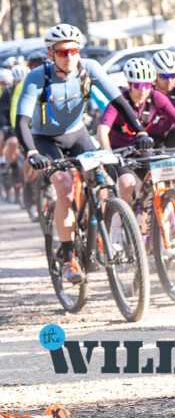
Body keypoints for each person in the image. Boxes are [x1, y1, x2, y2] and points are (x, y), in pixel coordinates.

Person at [16, 24, 150, 283]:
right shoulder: (37, 77)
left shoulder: (90, 68)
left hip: (78, 135)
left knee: (99, 178)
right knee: (65, 186)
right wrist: (32, 152)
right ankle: (69, 260)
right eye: (62, 52)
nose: (69, 57)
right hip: (45, 140)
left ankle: (98, 229)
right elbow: (21, 121)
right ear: (50, 53)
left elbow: (118, 102)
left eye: (74, 50)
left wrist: (140, 130)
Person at [96, 58, 175, 205]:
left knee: (160, 179)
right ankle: (120, 223)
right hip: (117, 150)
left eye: (147, 85)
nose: (143, 90)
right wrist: (108, 154)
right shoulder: (119, 101)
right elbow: (102, 130)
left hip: (140, 148)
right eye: (137, 85)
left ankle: (151, 219)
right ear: (129, 84)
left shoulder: (156, 97)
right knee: (128, 183)